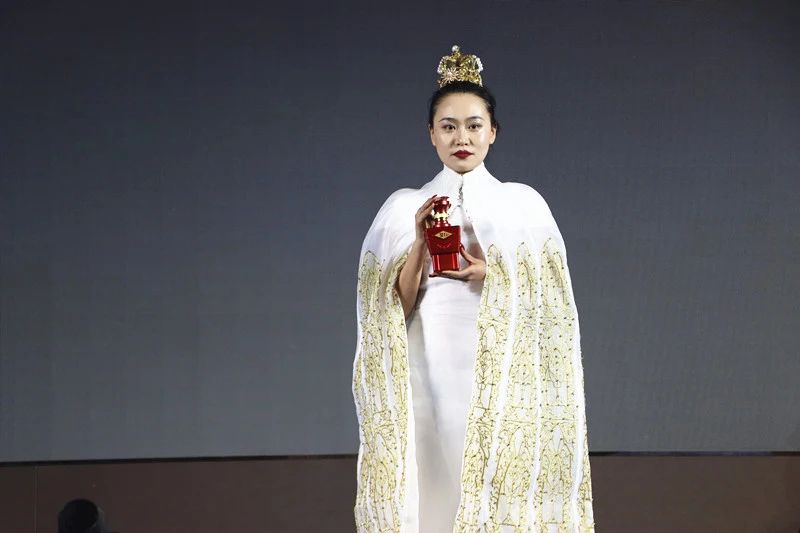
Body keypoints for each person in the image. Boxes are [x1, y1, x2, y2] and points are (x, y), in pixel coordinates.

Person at [352, 44, 595, 532]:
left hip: (498, 366)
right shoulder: (403, 207)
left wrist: (495, 274)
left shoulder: (523, 206)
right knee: (431, 468)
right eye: (448, 126)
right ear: (431, 133)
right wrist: (419, 243)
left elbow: (553, 306)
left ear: (492, 132)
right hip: (428, 363)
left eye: (473, 125)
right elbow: (390, 308)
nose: (461, 137)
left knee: (494, 464)